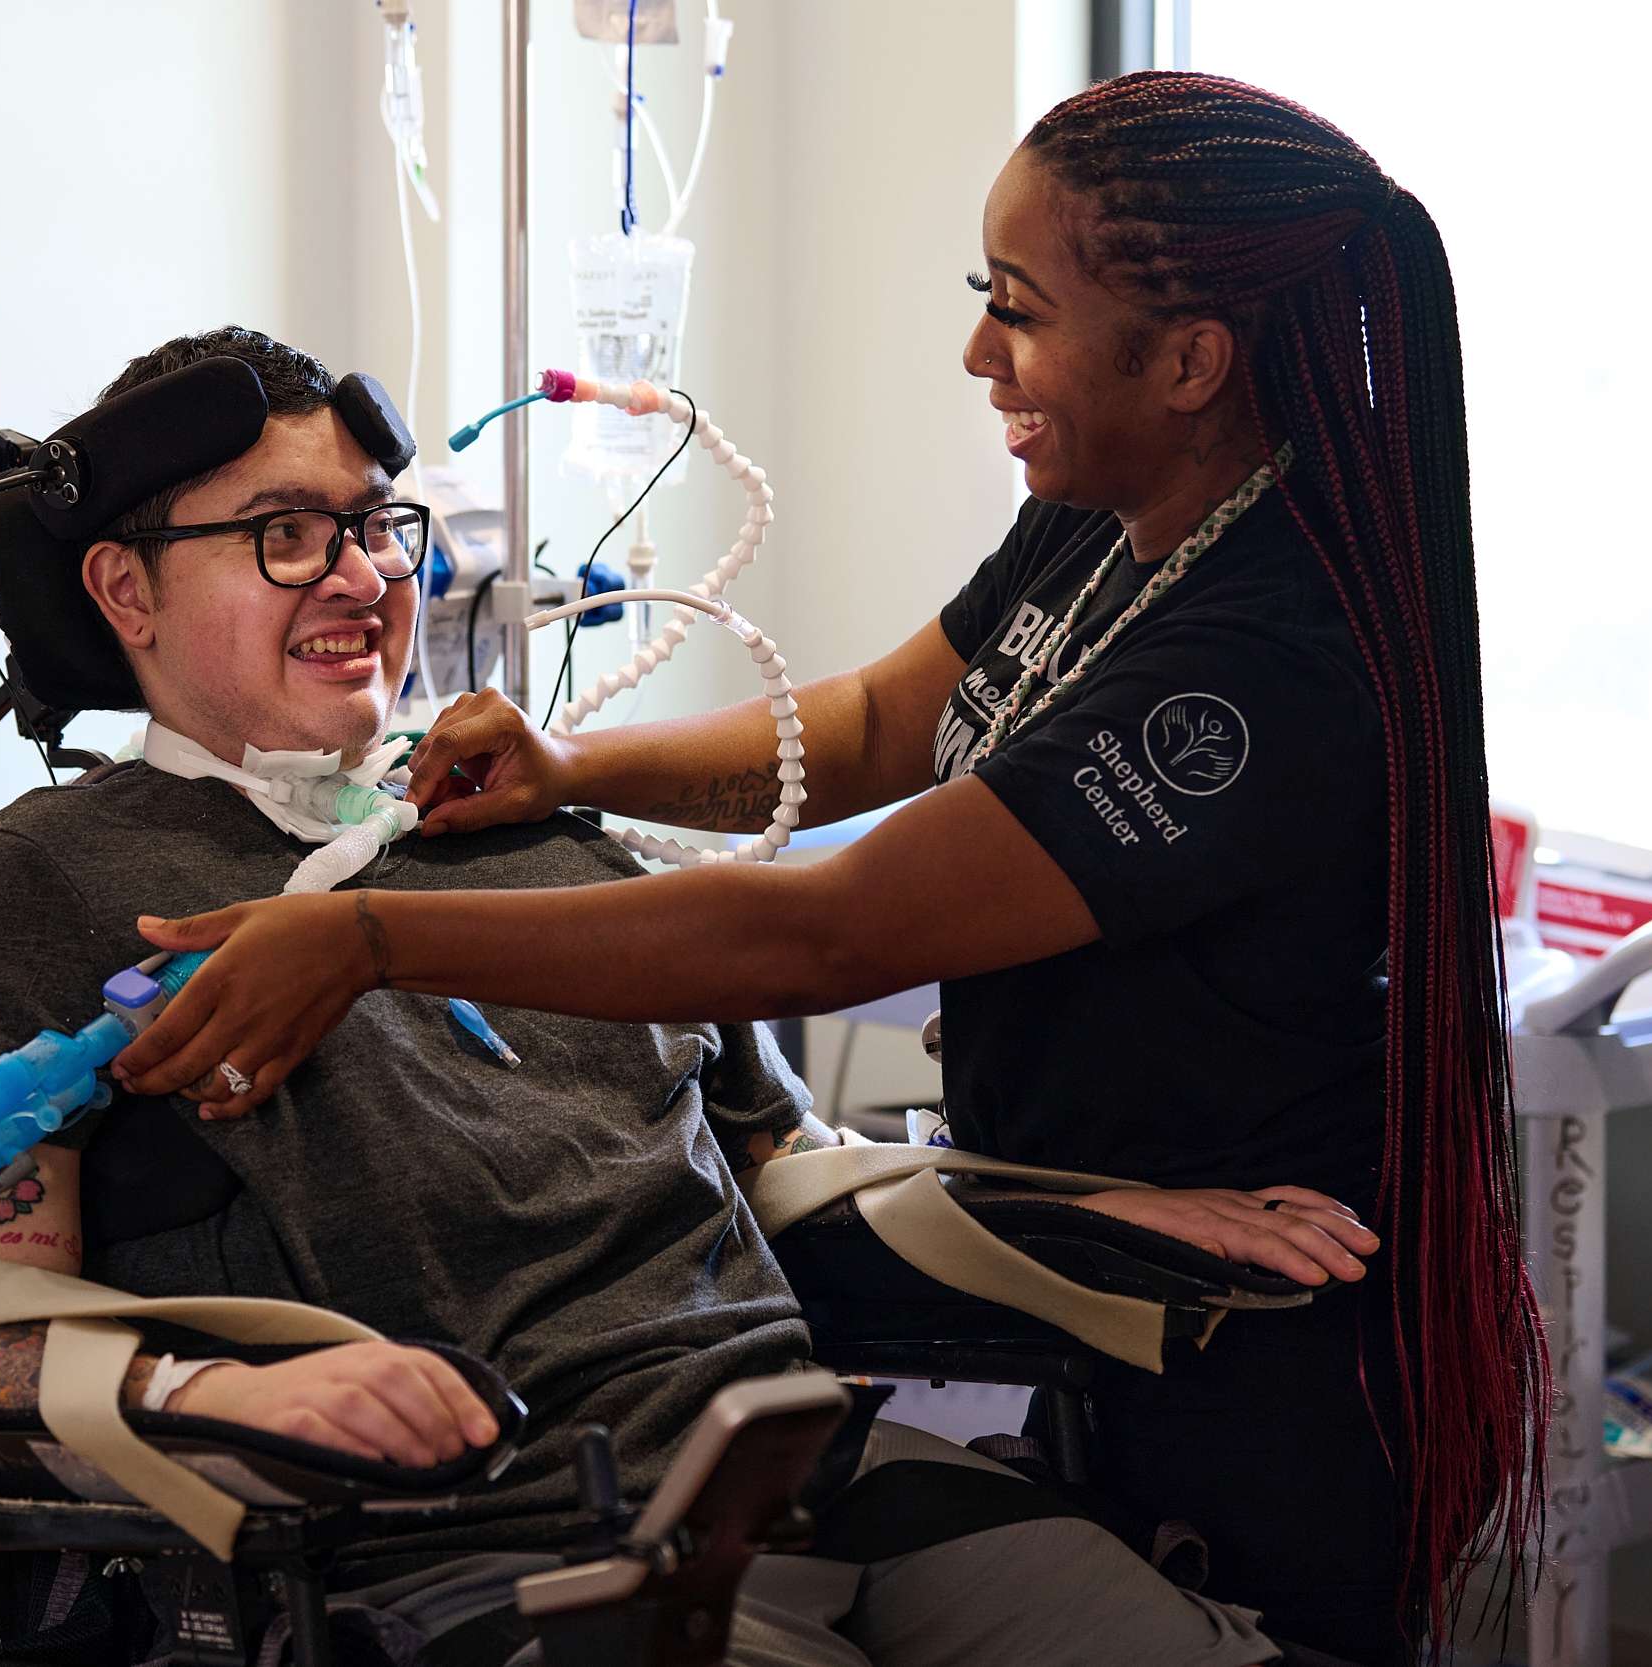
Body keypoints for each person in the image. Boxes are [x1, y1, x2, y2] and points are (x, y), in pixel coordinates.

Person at [106, 73, 1549, 1666]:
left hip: (1253, 1327)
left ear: (1192, 362)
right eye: (279, 538)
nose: (979, 353)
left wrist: (373, 942)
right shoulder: (1112, 513)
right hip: (960, 1303)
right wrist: (580, 766)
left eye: (1021, 311)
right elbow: (876, 721)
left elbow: (823, 938)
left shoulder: (1264, 659)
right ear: (120, 588)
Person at [0, 325, 1314, 1665]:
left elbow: (779, 1173)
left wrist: (1066, 1210)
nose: (366, 580)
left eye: (377, 528)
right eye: (284, 536)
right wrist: (228, 1396)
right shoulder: (39, 888)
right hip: (499, 1539)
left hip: (803, 1457)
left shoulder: (528, 828)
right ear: (124, 588)